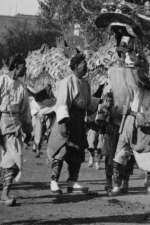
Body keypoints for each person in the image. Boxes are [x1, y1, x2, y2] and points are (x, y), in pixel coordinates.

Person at [0, 54, 33, 206]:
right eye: (24, 66)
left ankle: (5, 194)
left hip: (13, 126)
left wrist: (28, 130)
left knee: (15, 158)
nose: (26, 69)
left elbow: (25, 111)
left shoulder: (22, 87)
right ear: (16, 66)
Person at [48, 53, 99, 195]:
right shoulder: (67, 82)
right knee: (61, 151)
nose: (86, 68)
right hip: (66, 120)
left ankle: (72, 182)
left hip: (79, 121)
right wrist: (63, 124)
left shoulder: (86, 84)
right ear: (76, 66)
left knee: (77, 152)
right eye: (84, 65)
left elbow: (88, 104)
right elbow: (62, 103)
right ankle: (54, 181)